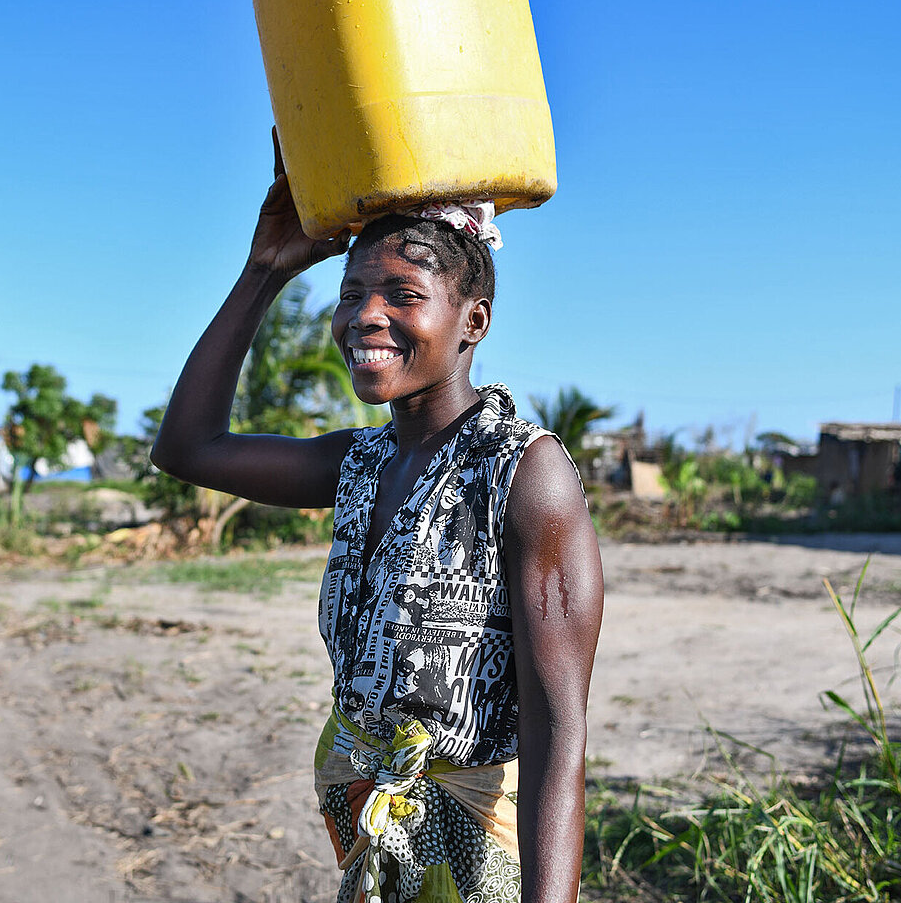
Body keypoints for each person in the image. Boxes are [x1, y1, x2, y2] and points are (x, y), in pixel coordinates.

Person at [151, 135, 603, 903]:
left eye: (404, 294)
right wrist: (266, 271)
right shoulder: (359, 462)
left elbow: (558, 736)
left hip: (474, 847)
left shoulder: (523, 473)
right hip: (371, 818)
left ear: (474, 320)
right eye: (352, 293)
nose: (366, 316)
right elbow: (189, 447)